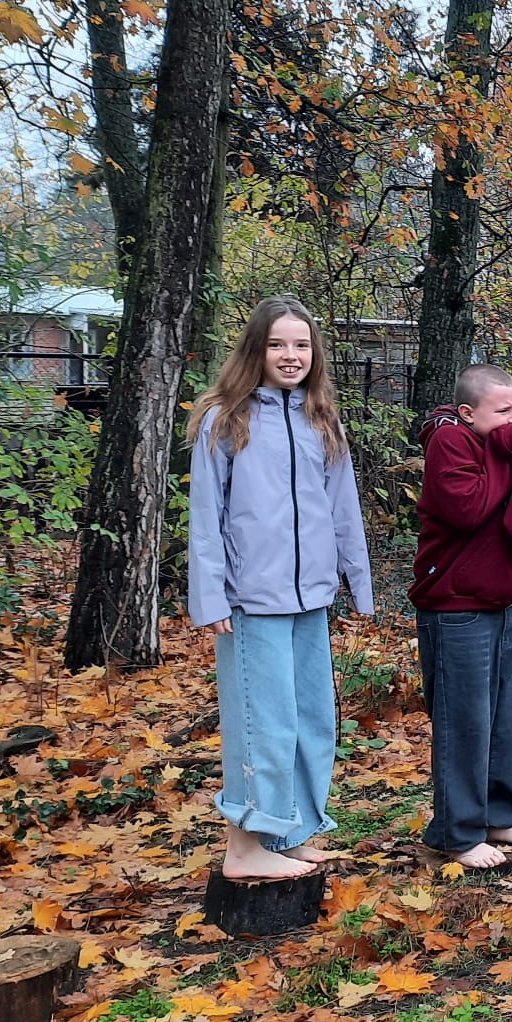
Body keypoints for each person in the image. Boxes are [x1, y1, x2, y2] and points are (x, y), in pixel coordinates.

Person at [188, 296, 373, 880]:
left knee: (310, 719)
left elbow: (343, 508)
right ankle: (244, 848)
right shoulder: (226, 417)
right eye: (277, 344)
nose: (290, 355)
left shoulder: (322, 418)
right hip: (251, 599)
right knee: (260, 722)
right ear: (256, 350)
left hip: (310, 597)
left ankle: (289, 832)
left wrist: (357, 582)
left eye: (300, 344)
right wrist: (210, 595)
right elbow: (207, 515)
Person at [411, 363, 512, 868]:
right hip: (455, 606)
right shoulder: (449, 444)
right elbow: (470, 508)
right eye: (504, 411)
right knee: (464, 721)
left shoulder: (501, 444)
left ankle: (499, 814)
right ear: (469, 412)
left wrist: (511, 452)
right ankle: (455, 832)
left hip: (505, 602)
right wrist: (508, 456)